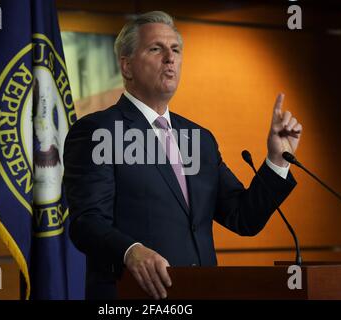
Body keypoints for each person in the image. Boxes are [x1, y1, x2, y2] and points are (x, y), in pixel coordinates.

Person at [64, 11, 302, 300]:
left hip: (201, 292)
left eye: (175, 49)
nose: (170, 58)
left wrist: (277, 160)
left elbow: (243, 218)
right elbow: (86, 222)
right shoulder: (97, 131)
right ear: (126, 66)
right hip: (132, 296)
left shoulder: (199, 139)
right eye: (156, 49)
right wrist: (130, 251)